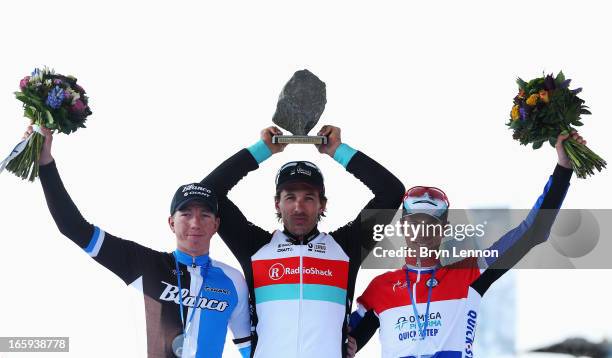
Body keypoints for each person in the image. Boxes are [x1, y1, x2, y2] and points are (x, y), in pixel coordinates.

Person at [346, 131, 586, 358]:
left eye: (431, 224)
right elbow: (336, 341)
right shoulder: (379, 289)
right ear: (402, 227)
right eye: (414, 222)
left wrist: (563, 169)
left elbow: (533, 231)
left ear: (444, 230)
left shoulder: (469, 274)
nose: (422, 231)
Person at [30, 125, 251, 358]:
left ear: (216, 225)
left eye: (205, 215)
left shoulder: (233, 280)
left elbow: (250, 350)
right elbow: (73, 227)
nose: (195, 223)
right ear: (171, 222)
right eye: (185, 214)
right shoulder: (146, 265)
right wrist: (46, 164)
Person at [200, 125, 405, 358]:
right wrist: (262, 150)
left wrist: (338, 150)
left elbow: (392, 191)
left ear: (322, 205)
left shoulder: (346, 248)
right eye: (290, 197)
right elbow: (206, 192)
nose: (299, 207)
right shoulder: (255, 247)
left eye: (309, 198)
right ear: (277, 203)